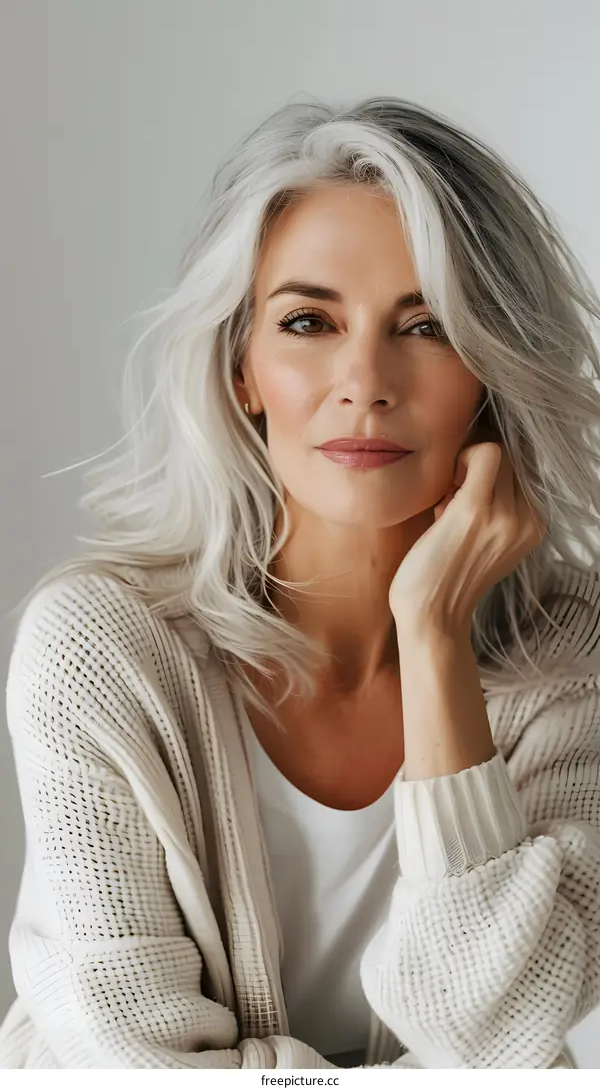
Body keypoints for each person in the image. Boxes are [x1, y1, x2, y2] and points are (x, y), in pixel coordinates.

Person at [1, 95, 600, 1070]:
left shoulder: (572, 652)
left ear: (493, 370)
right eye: (309, 320)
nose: (363, 378)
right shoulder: (101, 643)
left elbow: (494, 1030)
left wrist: (438, 634)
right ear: (243, 365)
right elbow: (131, 1057)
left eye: (428, 325)